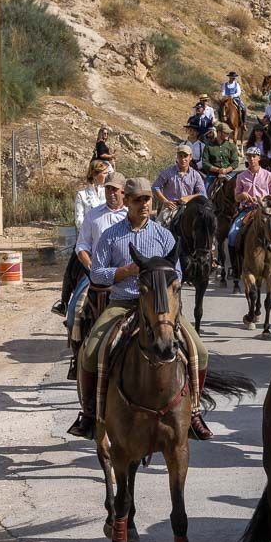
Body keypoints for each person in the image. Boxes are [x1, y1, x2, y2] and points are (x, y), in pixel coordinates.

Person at [73, 178, 213, 440]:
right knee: (91, 351)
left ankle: (193, 411)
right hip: (123, 303)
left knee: (200, 351)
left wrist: (165, 282)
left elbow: (178, 274)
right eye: (137, 199)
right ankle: (90, 413)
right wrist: (125, 271)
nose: (144, 204)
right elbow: (97, 274)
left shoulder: (164, 235)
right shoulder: (110, 236)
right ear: (126, 201)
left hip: (161, 308)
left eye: (147, 199)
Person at [66, 172, 128, 336]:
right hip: (96, 271)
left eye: (115, 189)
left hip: (127, 273)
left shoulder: (131, 215)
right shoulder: (93, 215)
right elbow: (82, 245)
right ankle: (77, 353)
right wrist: (90, 264)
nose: (111, 193)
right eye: (108, 189)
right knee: (74, 312)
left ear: (124, 191)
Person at [227, 147, 271, 250]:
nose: (251, 159)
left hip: (267, 211)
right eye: (249, 156)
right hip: (247, 210)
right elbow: (236, 198)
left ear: (259, 158)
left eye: (254, 156)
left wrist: (266, 197)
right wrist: (243, 195)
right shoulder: (241, 176)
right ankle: (235, 265)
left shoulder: (269, 175)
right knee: (232, 236)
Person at [153, 145, 207, 210]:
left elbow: (202, 193)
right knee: (161, 220)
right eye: (180, 156)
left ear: (190, 157)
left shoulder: (195, 175)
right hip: (171, 208)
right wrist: (165, 201)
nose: (183, 159)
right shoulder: (168, 172)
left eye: (185, 156)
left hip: (190, 208)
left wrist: (189, 198)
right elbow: (155, 187)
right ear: (177, 157)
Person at [200, 125, 240, 191]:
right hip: (213, 174)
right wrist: (218, 170)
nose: (228, 134)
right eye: (226, 133)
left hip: (229, 173)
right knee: (204, 191)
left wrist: (226, 170)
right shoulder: (208, 146)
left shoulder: (231, 146)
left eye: (228, 133)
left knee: (239, 187)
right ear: (219, 133)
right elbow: (205, 163)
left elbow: (235, 162)